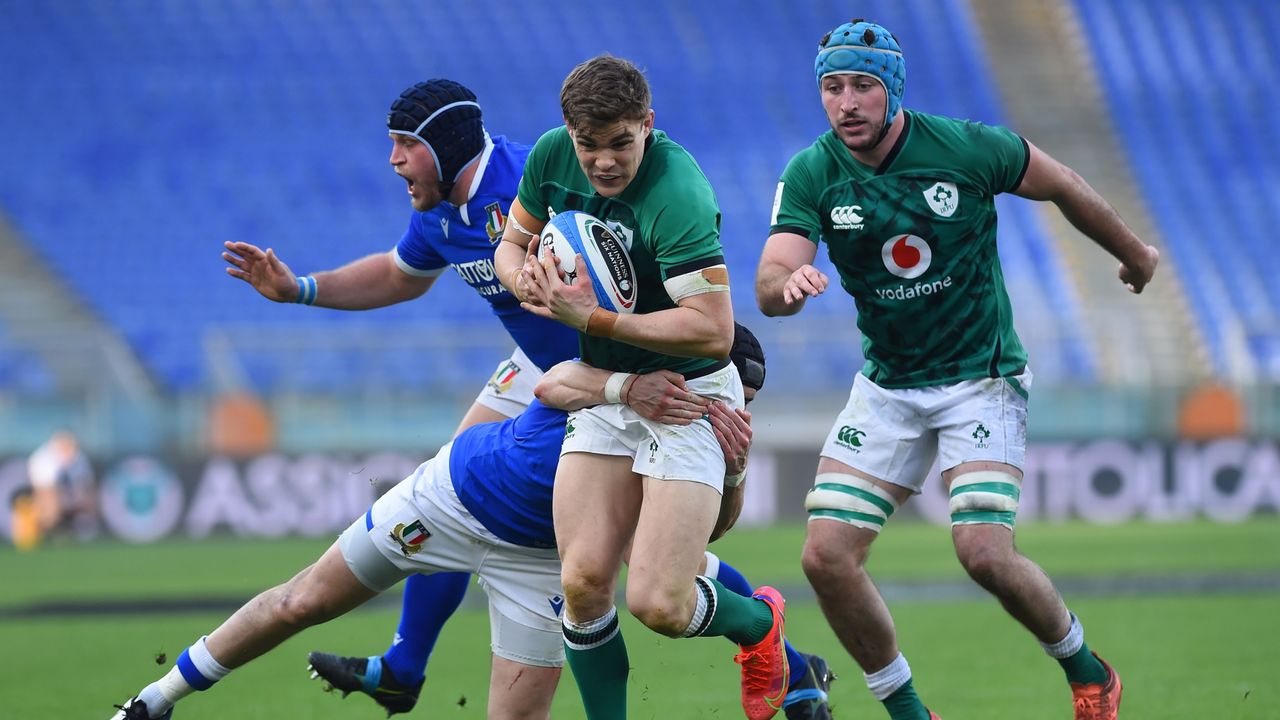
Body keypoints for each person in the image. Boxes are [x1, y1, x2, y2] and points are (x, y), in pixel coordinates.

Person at [224, 79, 832, 719]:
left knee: (648, 572)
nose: (395, 159)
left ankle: (779, 651)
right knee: (474, 503)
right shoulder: (445, 206)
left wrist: (598, 322)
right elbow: (405, 273)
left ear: (445, 143)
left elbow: (703, 323)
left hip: (623, 364)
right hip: (557, 367)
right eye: (587, 144)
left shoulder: (533, 174)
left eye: (407, 143)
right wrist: (303, 289)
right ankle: (404, 667)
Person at [755, 19, 1160, 720]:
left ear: (892, 90)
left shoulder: (967, 148)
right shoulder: (814, 171)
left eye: (861, 85)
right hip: (888, 387)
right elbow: (772, 272)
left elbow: (1061, 182)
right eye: (831, 87)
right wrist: (786, 285)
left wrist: (1134, 253)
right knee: (824, 558)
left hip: (982, 376)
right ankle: (912, 713)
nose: (845, 102)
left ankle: (1090, 672)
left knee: (982, 552)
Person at [108, 325, 773, 720]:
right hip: (451, 494)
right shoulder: (614, 361)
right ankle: (152, 701)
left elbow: (699, 538)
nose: (729, 408)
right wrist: (620, 387)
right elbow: (546, 382)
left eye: (743, 404)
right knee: (300, 599)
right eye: (727, 393)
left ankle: (779, 651)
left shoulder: (704, 433)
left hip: (541, 561)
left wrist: (735, 468)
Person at [495, 55, 789, 720]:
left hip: (690, 392)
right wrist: (526, 283)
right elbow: (510, 249)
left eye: (620, 142)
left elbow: (713, 332)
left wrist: (590, 318)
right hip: (610, 385)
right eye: (588, 145)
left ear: (647, 126)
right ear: (568, 133)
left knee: (659, 603)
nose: (602, 162)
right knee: (583, 580)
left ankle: (758, 626)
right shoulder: (550, 157)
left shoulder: (677, 191)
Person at [26, 429, 96, 542]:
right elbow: (45, 488)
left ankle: (83, 529)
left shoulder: (78, 456)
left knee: (89, 497)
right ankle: (48, 531)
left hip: (69, 492)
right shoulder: (43, 458)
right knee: (51, 503)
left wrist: (80, 497)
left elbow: (84, 481)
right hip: (47, 493)